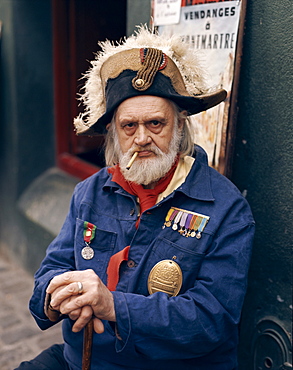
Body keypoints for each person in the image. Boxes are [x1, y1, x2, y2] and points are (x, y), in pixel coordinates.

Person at [17, 27, 255, 370]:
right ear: (114, 132)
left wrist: (111, 305)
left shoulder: (226, 208)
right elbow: (51, 271)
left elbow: (211, 319)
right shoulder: (90, 192)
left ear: (179, 126)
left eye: (156, 123)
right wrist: (60, 298)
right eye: (129, 126)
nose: (142, 138)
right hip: (81, 361)